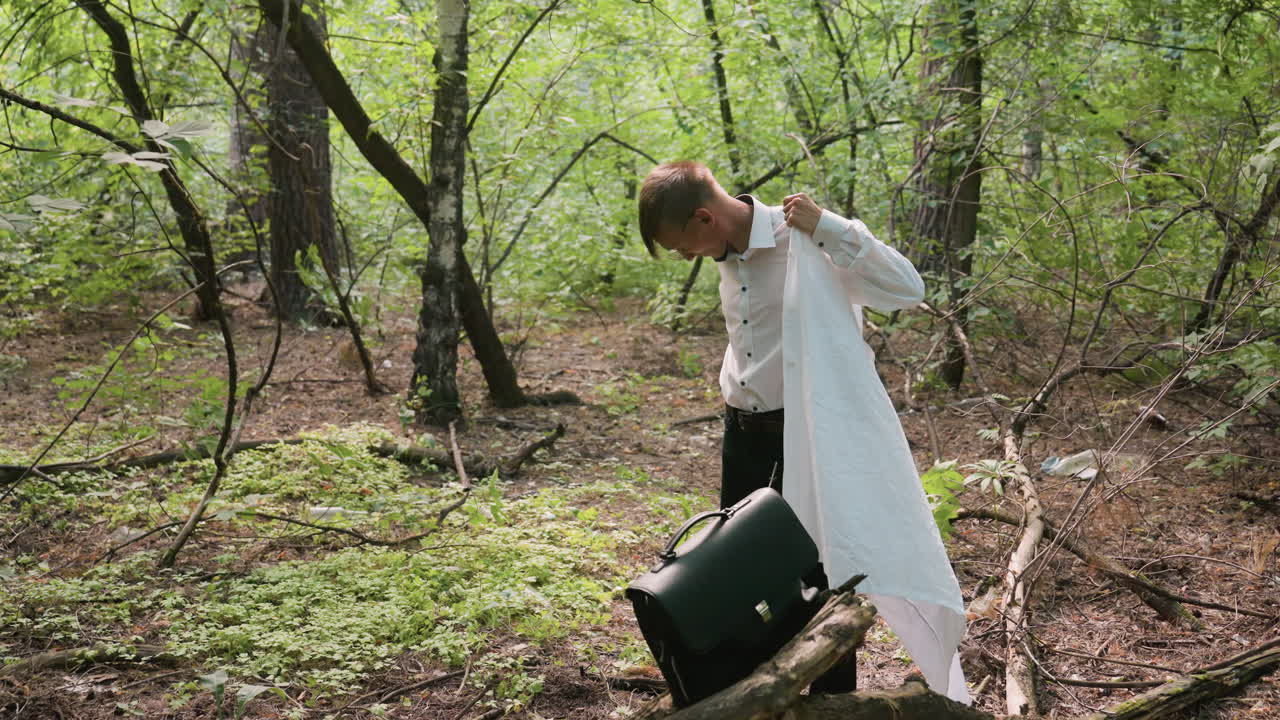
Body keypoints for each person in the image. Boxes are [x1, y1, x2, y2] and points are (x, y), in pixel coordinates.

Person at [637, 161, 970, 703]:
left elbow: (908, 289)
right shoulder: (726, 253)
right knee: (742, 570)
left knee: (817, 573)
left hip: (806, 435)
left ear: (705, 218)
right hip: (742, 432)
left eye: (683, 246)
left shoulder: (807, 239)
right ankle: (753, 695)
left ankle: (831, 702)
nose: (687, 258)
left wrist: (832, 227)